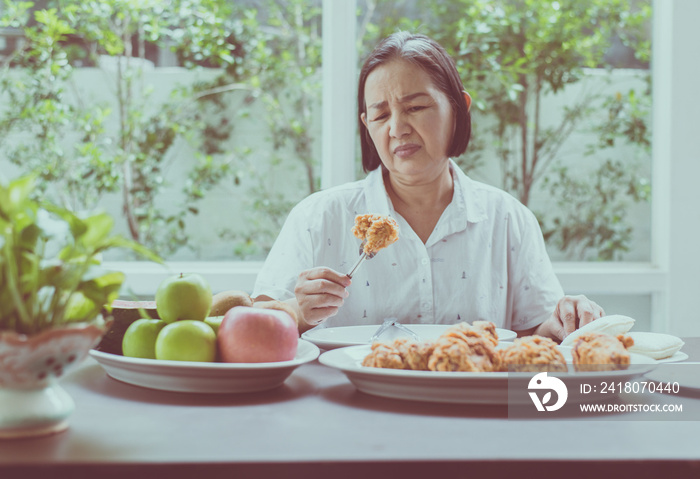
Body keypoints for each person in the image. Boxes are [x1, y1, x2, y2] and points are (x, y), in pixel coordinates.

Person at [252, 31, 604, 342]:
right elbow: (252, 326)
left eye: (416, 107)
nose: (397, 128)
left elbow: (533, 337)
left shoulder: (509, 219)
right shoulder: (318, 217)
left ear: (459, 108)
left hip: (473, 409)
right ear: (367, 125)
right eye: (380, 116)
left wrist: (565, 320)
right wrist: (298, 312)